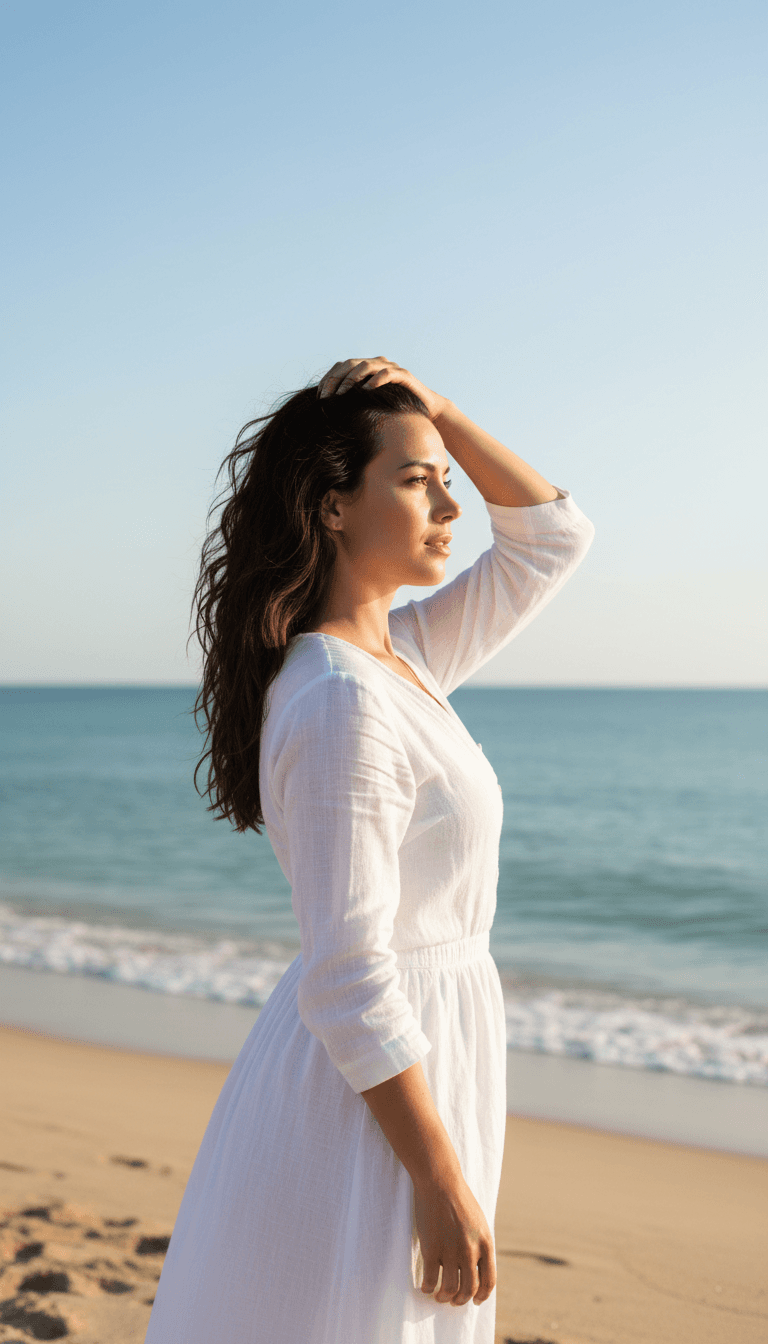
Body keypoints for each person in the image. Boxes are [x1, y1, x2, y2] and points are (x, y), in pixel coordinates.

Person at [145, 356, 595, 1343]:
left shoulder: (402, 661)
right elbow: (347, 975)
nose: (452, 502)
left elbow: (552, 538)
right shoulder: (342, 699)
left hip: (421, 1063)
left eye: (445, 477)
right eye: (416, 477)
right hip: (378, 1096)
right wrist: (438, 1175)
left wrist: (437, 409)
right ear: (334, 506)